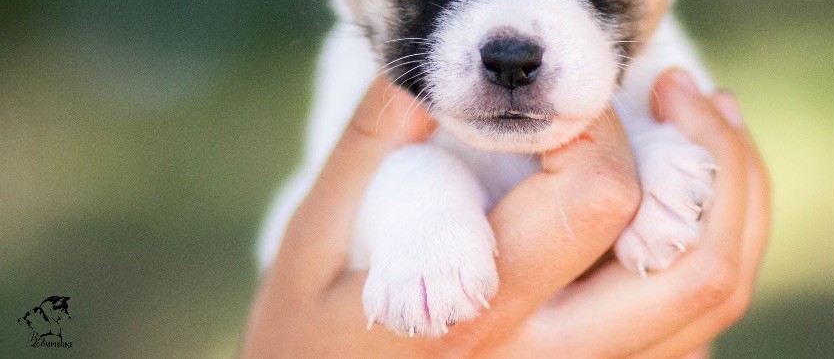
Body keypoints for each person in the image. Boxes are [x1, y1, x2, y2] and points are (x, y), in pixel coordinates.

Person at [242, 69, 770, 357]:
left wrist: (652, 153)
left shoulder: (649, 60)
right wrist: (416, 194)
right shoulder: (361, 66)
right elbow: (323, 219)